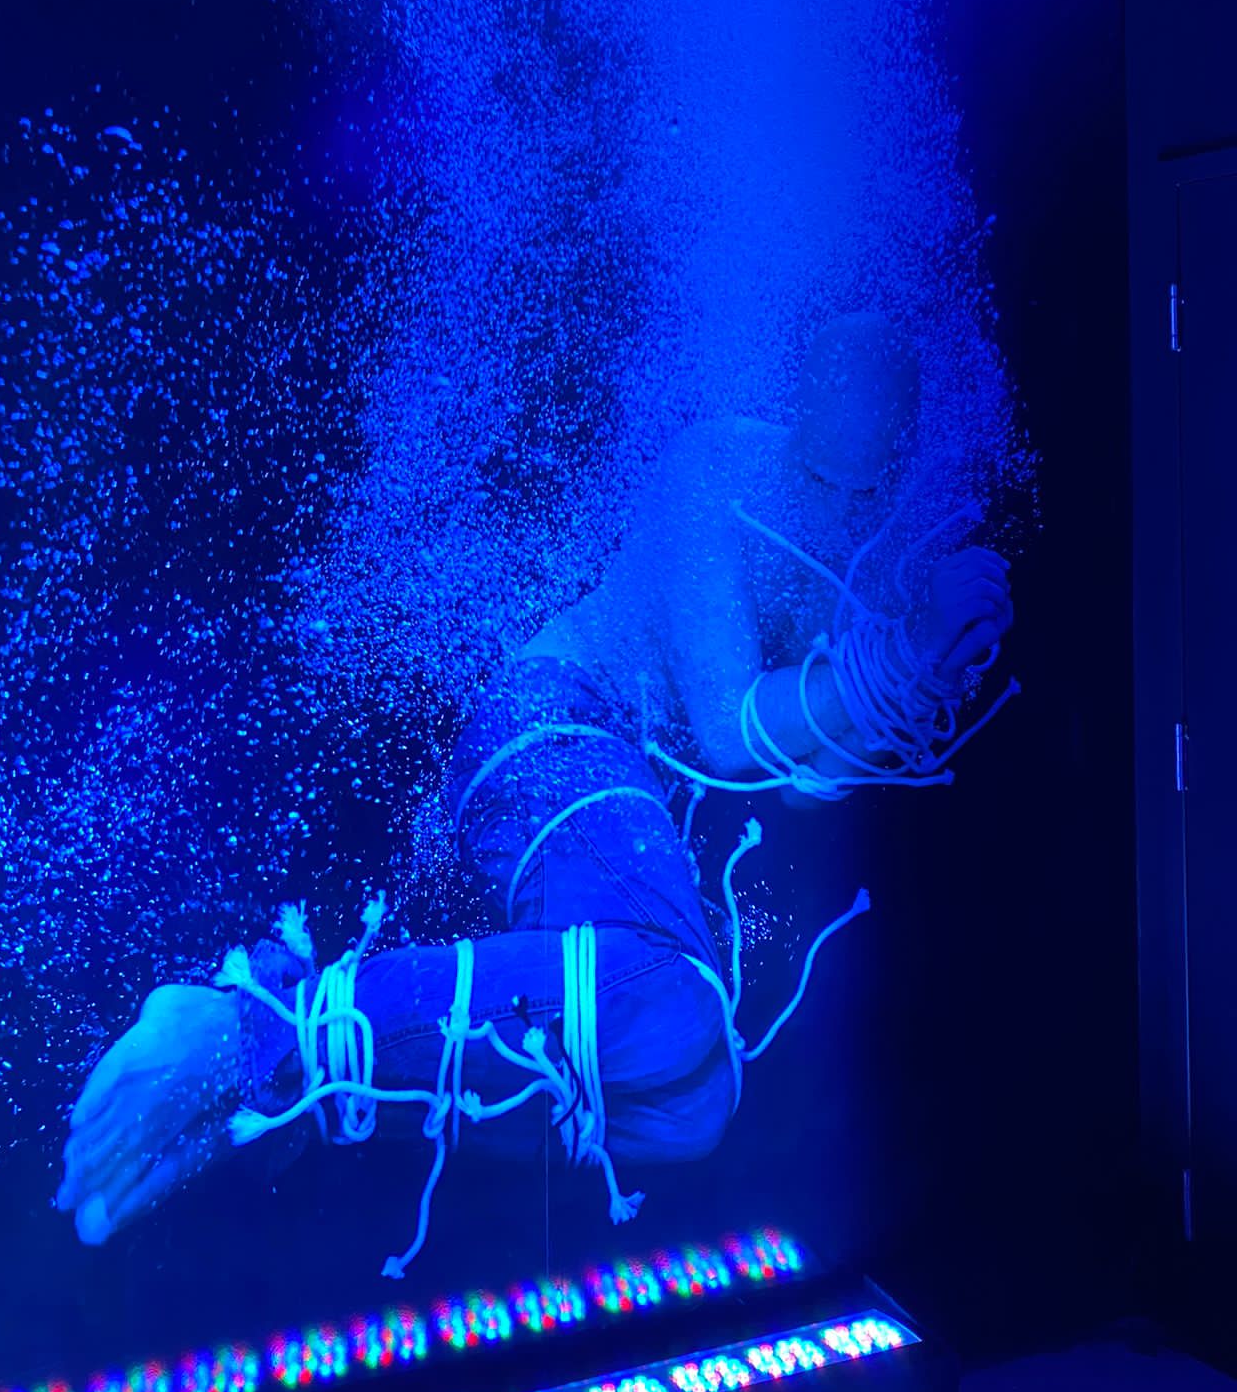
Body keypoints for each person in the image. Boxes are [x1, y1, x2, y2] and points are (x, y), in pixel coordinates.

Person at [57, 314, 1013, 1266]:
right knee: (673, 997)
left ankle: (275, 1096)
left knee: (692, 1104)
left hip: (611, 787)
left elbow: (805, 784)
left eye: (867, 487)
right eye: (822, 476)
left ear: (903, 452)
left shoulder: (853, 547)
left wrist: (926, 676)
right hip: (552, 727)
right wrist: (901, 655)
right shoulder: (718, 470)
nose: (840, 507)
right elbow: (732, 735)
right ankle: (252, 1026)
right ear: (799, 413)